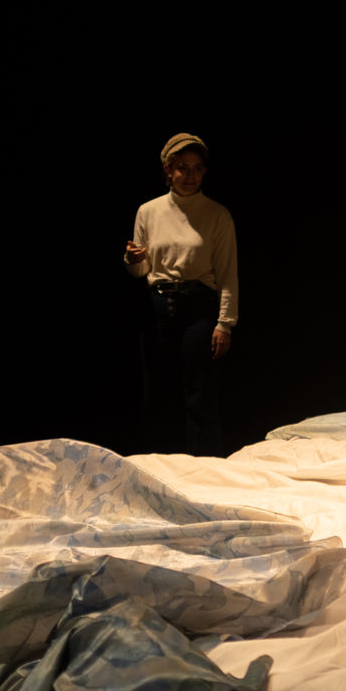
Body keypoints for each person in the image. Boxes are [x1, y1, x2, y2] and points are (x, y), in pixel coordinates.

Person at [123, 133, 239, 455]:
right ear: (167, 170)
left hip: (198, 307)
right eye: (182, 168)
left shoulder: (217, 215)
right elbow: (141, 272)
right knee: (158, 393)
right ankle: (161, 472)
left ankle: (205, 471)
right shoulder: (148, 211)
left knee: (200, 394)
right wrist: (133, 261)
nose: (190, 176)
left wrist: (225, 323)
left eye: (198, 169)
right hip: (157, 305)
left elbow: (228, 274)